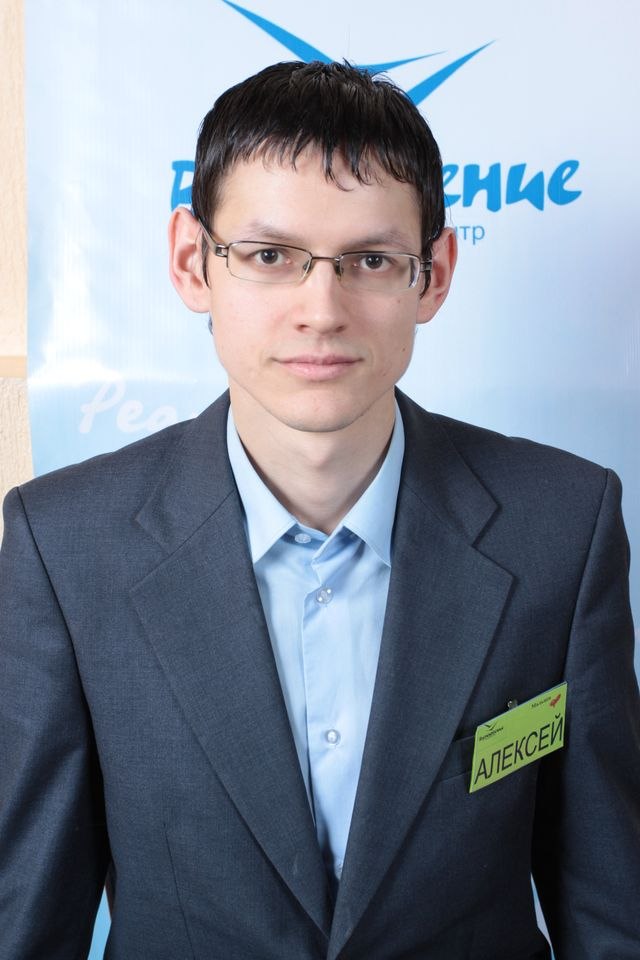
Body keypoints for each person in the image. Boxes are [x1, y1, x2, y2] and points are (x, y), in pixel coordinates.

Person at [1, 60, 639, 960]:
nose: (322, 310)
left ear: (434, 274)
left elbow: (611, 910)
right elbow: (30, 921)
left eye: (371, 261)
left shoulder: (563, 527)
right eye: (270, 257)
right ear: (192, 261)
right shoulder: (65, 545)